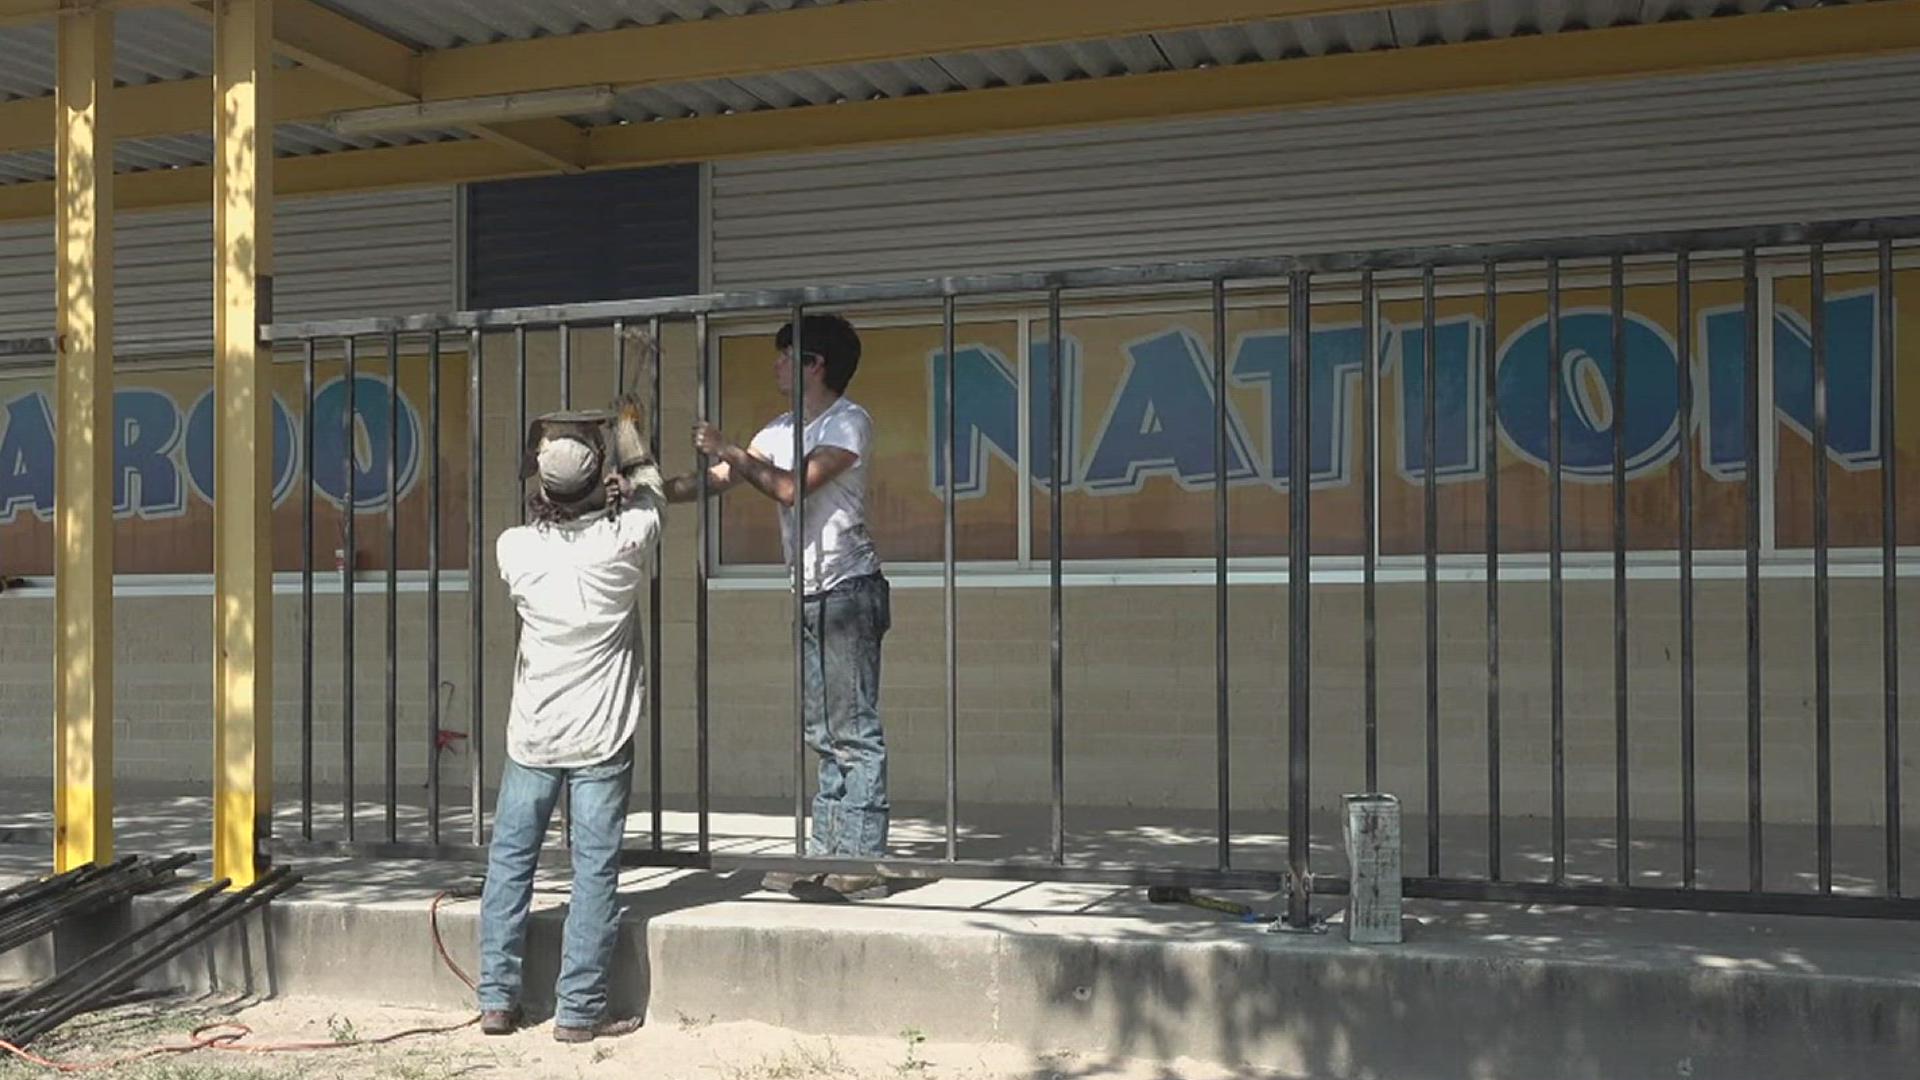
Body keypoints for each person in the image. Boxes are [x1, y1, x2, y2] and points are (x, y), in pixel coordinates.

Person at [664, 313, 892, 898]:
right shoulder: (779, 429)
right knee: (822, 727)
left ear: (814, 364)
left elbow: (791, 487)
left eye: (787, 356)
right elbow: (717, 479)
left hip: (848, 589)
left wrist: (729, 449)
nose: (777, 365)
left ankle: (861, 861)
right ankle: (827, 851)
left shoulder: (848, 422)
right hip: (811, 591)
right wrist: (650, 488)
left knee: (854, 729)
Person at [478, 415, 663, 1043]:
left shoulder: (514, 549)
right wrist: (629, 435)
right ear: (599, 485)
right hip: (601, 735)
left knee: (510, 863)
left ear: (541, 488)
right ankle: (580, 1011)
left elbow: (547, 525)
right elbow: (652, 490)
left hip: (533, 731)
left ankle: (498, 1001)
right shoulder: (628, 539)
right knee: (594, 870)